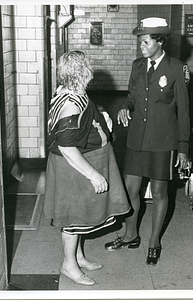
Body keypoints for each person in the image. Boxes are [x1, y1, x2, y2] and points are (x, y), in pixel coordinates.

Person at [105, 18, 190, 266]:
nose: (141, 46)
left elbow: (184, 112)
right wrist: (124, 106)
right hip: (136, 140)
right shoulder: (137, 66)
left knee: (160, 192)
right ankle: (131, 235)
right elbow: (133, 95)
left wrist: (183, 147)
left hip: (163, 141)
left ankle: (154, 242)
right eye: (140, 42)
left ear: (159, 41)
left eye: (145, 41)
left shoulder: (177, 68)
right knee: (131, 190)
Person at [43, 51, 130, 285]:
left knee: (80, 215)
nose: (91, 71)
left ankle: (78, 257)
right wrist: (93, 175)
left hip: (78, 163)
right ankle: (68, 265)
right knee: (73, 219)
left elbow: (87, 111)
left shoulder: (73, 92)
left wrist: (101, 115)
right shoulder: (70, 104)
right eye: (87, 67)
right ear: (82, 72)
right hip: (72, 167)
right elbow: (67, 147)